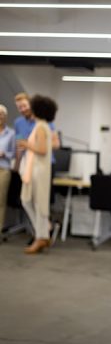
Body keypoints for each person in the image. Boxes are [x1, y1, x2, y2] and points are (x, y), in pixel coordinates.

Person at [20, 95, 58, 254]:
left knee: (35, 203)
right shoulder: (41, 126)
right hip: (35, 169)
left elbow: (42, 150)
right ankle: (42, 233)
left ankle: (41, 235)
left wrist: (26, 144)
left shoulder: (41, 127)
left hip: (38, 170)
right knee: (29, 201)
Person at [14, 92, 60, 171]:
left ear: (31, 104)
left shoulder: (44, 122)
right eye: (19, 107)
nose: (23, 109)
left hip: (44, 164)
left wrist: (29, 145)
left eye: (24, 106)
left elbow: (56, 144)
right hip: (27, 163)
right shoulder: (18, 123)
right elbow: (20, 145)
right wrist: (16, 166)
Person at [0, 104, 15, 230]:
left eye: (2, 114)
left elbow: (14, 153)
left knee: (0, 200)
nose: (0, 116)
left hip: (3, 169)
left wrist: (5, 154)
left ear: (5, 117)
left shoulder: (11, 134)